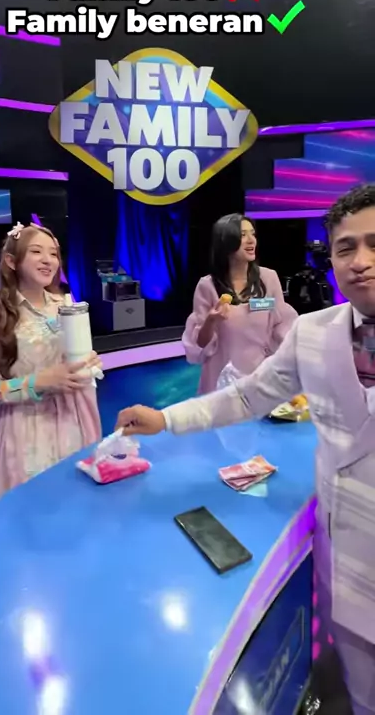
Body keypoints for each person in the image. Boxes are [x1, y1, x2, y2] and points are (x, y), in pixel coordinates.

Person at [117, 184, 375, 715]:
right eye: (346, 247)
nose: (361, 261)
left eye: (374, 243)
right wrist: (166, 419)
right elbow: (244, 396)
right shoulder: (314, 334)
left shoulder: (272, 288)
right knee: (360, 687)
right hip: (347, 562)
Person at [0, 222, 102, 505]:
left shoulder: (65, 304)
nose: (48, 260)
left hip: (71, 427)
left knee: (76, 507)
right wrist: (37, 383)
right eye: (37, 252)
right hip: (24, 436)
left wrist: (87, 364)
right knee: (32, 514)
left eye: (53, 254)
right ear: (11, 261)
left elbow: (76, 362)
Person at [182, 214, 297, 393]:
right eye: (243, 235)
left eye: (253, 234)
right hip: (221, 381)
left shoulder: (269, 278)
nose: (251, 240)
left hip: (259, 378)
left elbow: (281, 325)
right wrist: (211, 320)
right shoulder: (207, 286)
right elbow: (201, 344)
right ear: (226, 241)